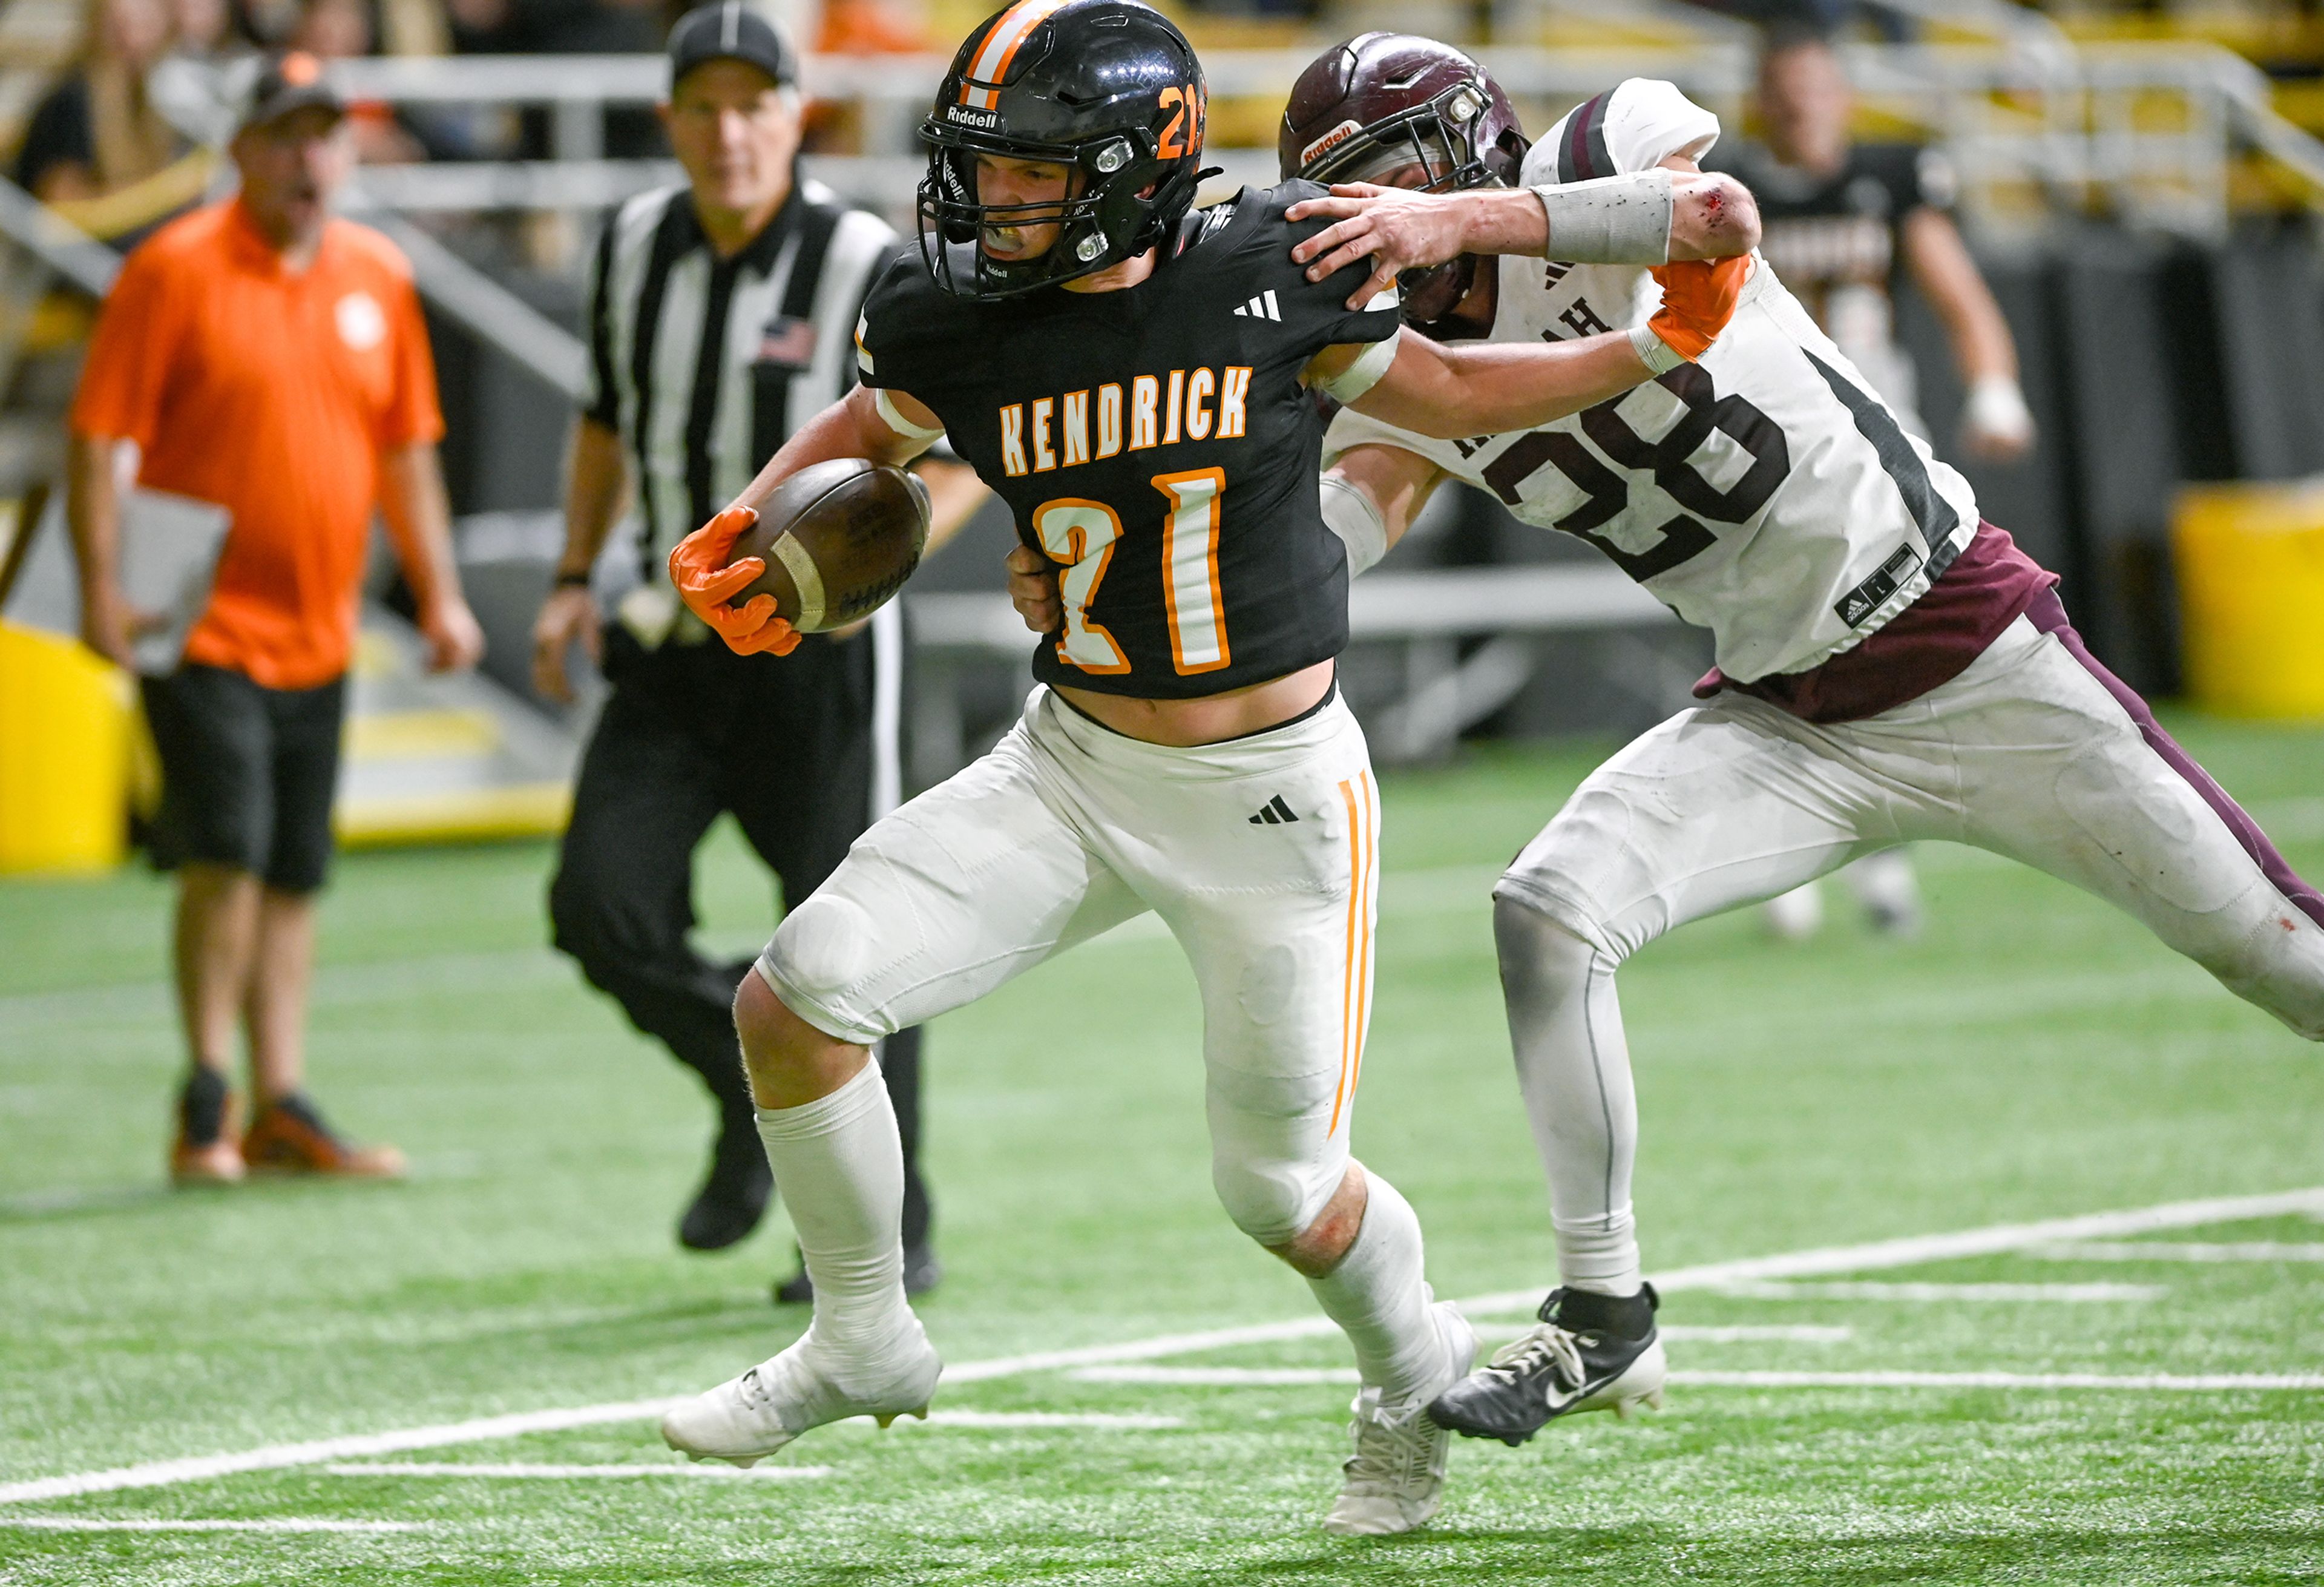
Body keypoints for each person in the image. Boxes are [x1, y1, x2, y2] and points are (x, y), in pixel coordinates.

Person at [648, 0, 1745, 1536]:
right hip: (1070, 762)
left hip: (1269, 801)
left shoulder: (1274, 268)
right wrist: (754, 515)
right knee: (797, 1000)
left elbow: (1451, 399)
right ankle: (860, 1330)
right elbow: (870, 423)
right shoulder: (948, 312)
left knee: (1280, 1190)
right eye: (980, 167)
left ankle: (1406, 1373)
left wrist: (1649, 347)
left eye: (1027, 172)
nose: (985, 202)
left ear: (1128, 167)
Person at [1265, 34, 2324, 1448]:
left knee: (2274, 953)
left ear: (1464, 150)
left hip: (1963, 641)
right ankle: (1602, 1313)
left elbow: (1713, 221)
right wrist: (1241, 583)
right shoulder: (1400, 364)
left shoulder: (1597, 149)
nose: (1374, 222)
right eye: (1342, 200)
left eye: (1390, 181)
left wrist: (1454, 217)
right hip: (1786, 709)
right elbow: (1366, 506)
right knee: (1547, 911)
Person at [537, 2, 977, 1295]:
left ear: (797, 116)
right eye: (704, 108)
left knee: (852, 938)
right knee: (599, 906)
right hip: (676, 636)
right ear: (671, 122)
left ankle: (891, 1222)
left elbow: (954, 470)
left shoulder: (863, 260)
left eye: (754, 105)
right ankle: (749, 1089)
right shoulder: (628, 247)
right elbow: (605, 422)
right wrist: (574, 571)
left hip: (820, 654)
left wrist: (852, 580)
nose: (730, 133)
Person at [67, 52, 485, 1186]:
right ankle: (208, 1095)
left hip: (321, 622)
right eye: (286, 136)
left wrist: (438, 593)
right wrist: (100, 584)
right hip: (196, 618)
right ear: (243, 150)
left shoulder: (377, 275)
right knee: (229, 847)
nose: (309, 158)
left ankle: (281, 1100)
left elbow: (408, 449)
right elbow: (99, 438)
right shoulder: (172, 271)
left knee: (296, 867)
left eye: (326, 135)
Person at [1709, 19, 2037, 941]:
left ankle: (1882, 852)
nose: (1806, 109)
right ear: (1762, 101)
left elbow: (1960, 297)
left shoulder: (1889, 179)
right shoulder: (1728, 188)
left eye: (1820, 89)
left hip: (1878, 445)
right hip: (1761, 443)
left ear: (1845, 95)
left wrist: (1997, 385)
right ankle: (1782, 853)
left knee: (1892, 650)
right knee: (1765, 641)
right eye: (1789, 91)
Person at [17, 0, 212, 248]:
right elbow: (61, 210)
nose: (130, 38)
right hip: (71, 267)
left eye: (143, 24)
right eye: (117, 25)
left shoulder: (152, 100)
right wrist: (164, 196)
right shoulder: (71, 101)